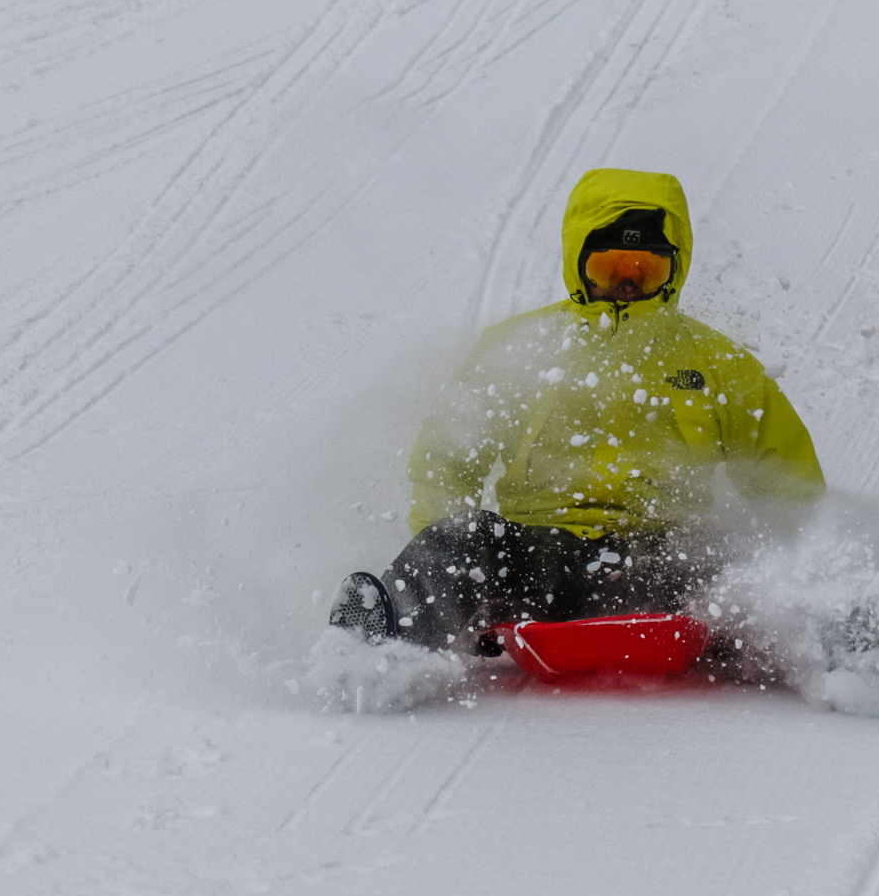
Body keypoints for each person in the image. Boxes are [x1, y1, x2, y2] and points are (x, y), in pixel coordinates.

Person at [328, 168, 826, 654]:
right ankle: (379, 645)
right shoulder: (520, 347)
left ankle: (837, 637)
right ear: (578, 261)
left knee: (738, 556)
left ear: (673, 271)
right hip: (537, 558)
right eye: (609, 267)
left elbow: (787, 480)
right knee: (464, 539)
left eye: (645, 269)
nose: (627, 284)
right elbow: (447, 460)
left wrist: (804, 562)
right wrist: (465, 589)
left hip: (664, 558)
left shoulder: (717, 363)